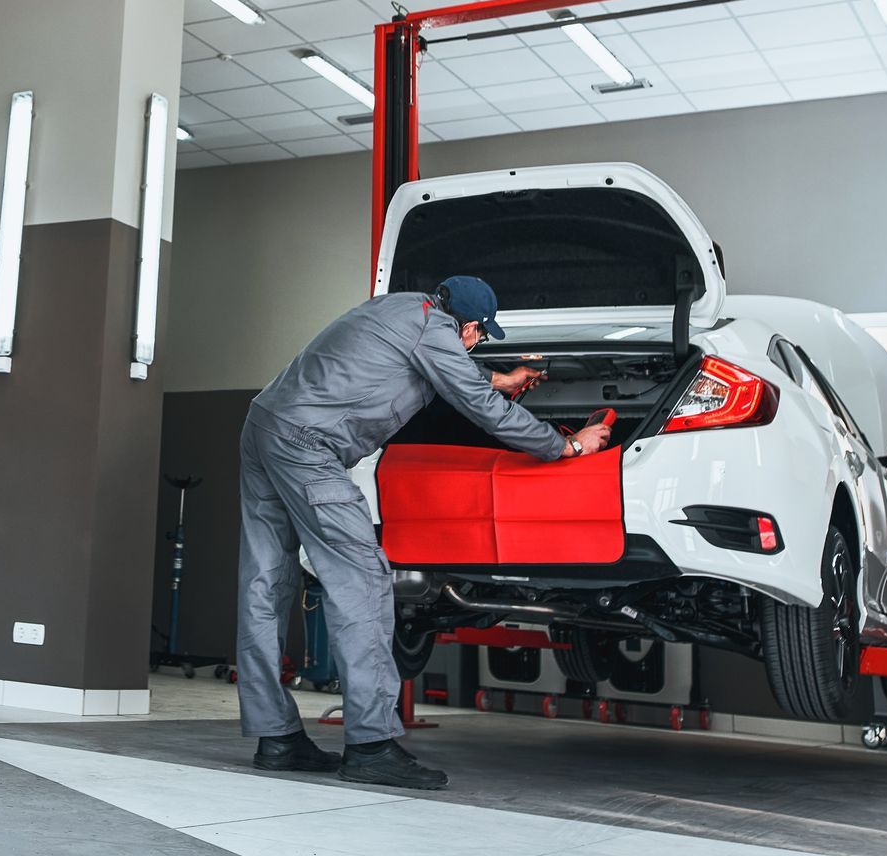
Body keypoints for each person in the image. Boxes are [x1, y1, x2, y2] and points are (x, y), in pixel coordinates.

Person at [235, 275, 612, 790]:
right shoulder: (435, 331)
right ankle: (370, 746)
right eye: (481, 334)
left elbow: (429, 370)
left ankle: (275, 738)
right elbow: (482, 410)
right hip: (309, 447)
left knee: (267, 583)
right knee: (364, 580)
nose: (479, 342)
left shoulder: (402, 308)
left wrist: (496, 380)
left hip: (265, 427)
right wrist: (564, 447)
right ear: (470, 325)